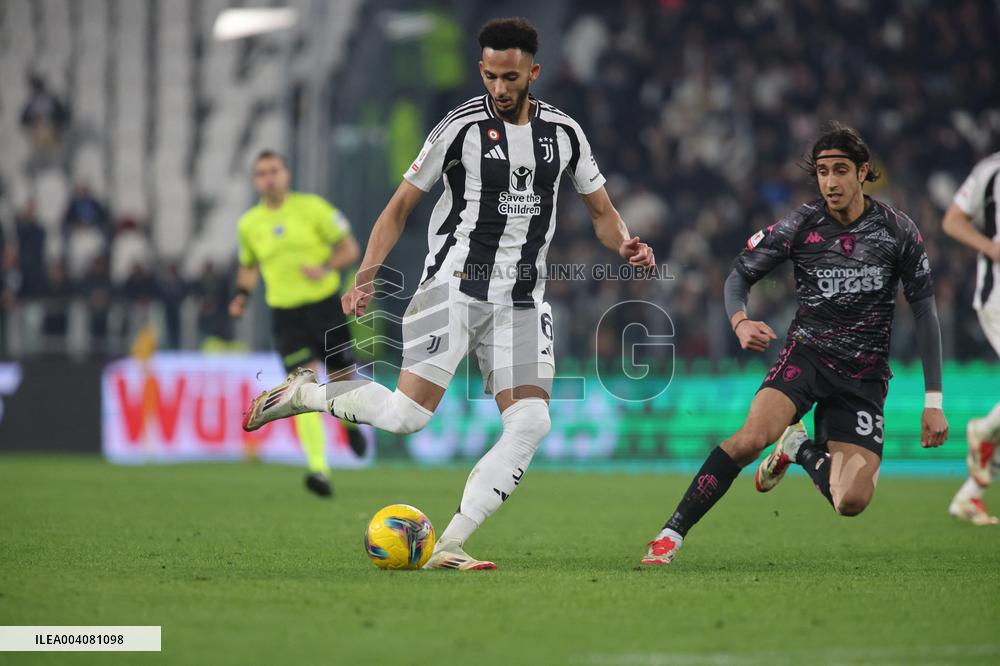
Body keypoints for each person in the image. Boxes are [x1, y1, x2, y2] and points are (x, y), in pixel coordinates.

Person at [242, 18, 655, 569]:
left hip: (524, 301)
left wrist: (625, 243)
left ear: (533, 71)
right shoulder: (457, 129)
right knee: (408, 418)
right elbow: (398, 209)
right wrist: (366, 272)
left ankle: (451, 543)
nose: (500, 89)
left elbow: (601, 212)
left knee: (532, 422)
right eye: (490, 76)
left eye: (510, 77)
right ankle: (307, 395)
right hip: (452, 289)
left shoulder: (565, 133)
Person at [641, 123, 949, 565]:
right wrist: (740, 320)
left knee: (851, 502)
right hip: (806, 357)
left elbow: (924, 311)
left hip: (863, 377)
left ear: (863, 172)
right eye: (822, 171)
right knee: (749, 440)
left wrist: (933, 401)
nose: (830, 182)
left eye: (840, 170)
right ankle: (670, 534)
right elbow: (739, 274)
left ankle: (798, 448)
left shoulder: (898, 231)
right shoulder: (801, 224)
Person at [230, 150, 364, 498]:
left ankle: (349, 426)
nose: (268, 178)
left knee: (341, 383)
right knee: (301, 390)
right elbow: (248, 265)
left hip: (324, 309)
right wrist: (241, 296)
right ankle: (318, 469)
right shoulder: (249, 224)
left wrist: (326, 266)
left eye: (273, 170)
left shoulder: (313, 208)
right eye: (261, 173)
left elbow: (350, 249)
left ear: (286, 174)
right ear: (255, 180)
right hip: (286, 318)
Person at [942, 150, 1000, 525]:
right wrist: (990, 247)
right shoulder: (992, 171)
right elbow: (952, 220)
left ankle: (969, 496)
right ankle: (984, 429)